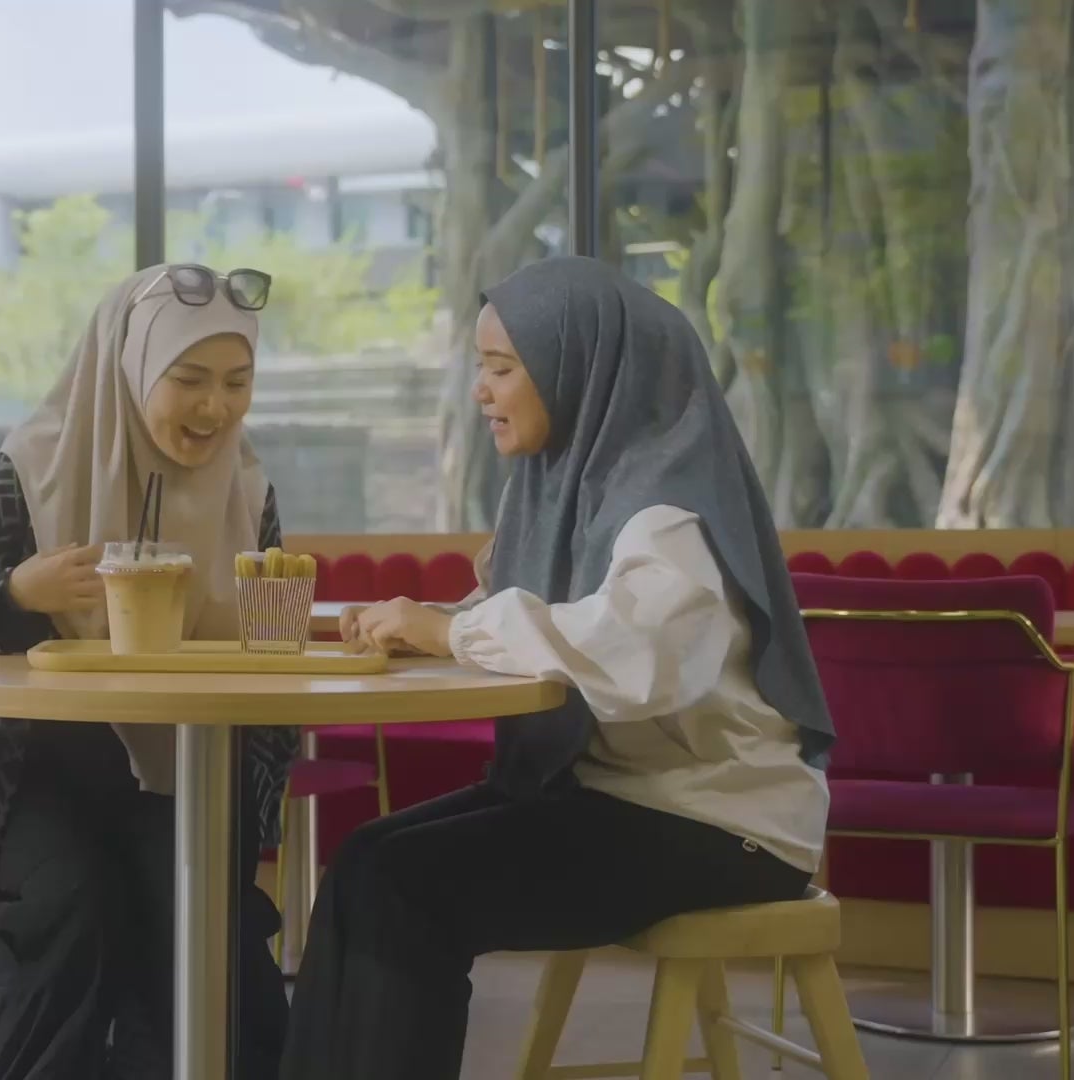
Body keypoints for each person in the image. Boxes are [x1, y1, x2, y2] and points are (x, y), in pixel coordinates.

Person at [277, 256, 837, 1080]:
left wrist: (451, 633)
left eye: (502, 368)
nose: (481, 391)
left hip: (721, 824)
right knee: (363, 859)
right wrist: (434, 626)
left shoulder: (668, 510)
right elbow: (549, 614)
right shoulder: (571, 485)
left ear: (582, 371)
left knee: (404, 886)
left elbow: (636, 654)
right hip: (618, 797)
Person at [0, 264, 295, 1080]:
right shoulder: (35, 467)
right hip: (27, 778)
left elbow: (270, 657)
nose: (215, 407)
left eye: (237, 382)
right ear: (131, 367)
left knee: (190, 911)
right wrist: (17, 594)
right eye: (189, 379)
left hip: (187, 773)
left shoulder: (247, 491)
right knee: (73, 901)